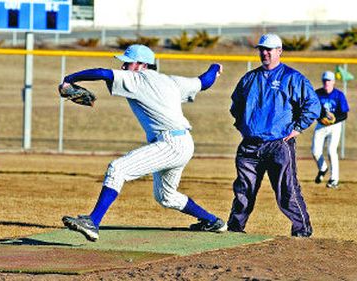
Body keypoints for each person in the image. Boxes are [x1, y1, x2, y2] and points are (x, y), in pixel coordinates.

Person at [60, 44, 225, 242]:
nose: (123, 67)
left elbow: (102, 73)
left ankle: (93, 222)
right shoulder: (171, 81)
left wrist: (69, 79)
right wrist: (215, 68)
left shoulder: (137, 78)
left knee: (117, 169)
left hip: (170, 143)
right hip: (183, 143)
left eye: (127, 63)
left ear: (142, 65)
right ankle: (213, 221)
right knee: (166, 196)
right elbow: (203, 82)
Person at [227, 34, 321, 237]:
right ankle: (235, 228)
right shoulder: (249, 78)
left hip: (279, 144)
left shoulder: (293, 78)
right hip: (250, 146)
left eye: (270, 49)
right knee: (244, 190)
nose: (265, 53)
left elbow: (313, 106)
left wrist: (298, 128)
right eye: (262, 49)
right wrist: (243, 126)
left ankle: (302, 230)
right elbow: (236, 105)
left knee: (287, 190)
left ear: (280, 51)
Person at [311, 71, 350, 189]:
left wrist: (334, 120)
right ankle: (323, 168)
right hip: (321, 125)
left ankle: (334, 179)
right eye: (325, 80)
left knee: (331, 151)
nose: (326, 82)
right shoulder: (317, 94)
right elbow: (313, 110)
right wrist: (321, 117)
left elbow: (344, 114)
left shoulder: (339, 95)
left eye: (329, 80)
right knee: (315, 151)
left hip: (335, 126)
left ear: (333, 81)